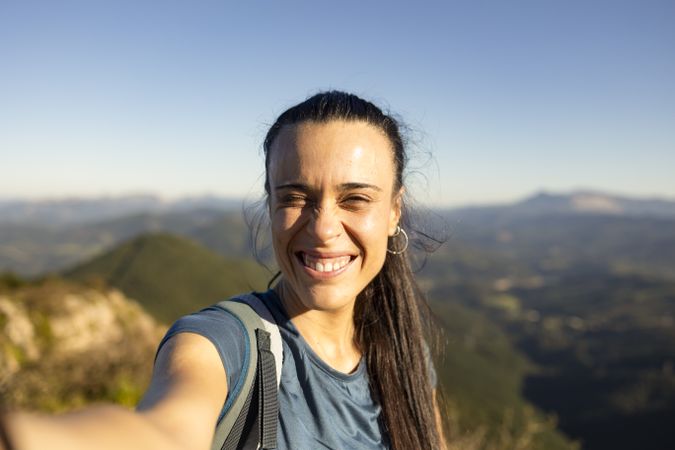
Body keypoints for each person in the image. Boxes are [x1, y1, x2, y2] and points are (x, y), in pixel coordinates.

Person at [2, 91, 446, 449]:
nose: (324, 227)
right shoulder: (223, 344)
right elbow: (164, 431)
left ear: (393, 212)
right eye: (294, 197)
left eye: (355, 199)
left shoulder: (405, 356)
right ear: (269, 205)